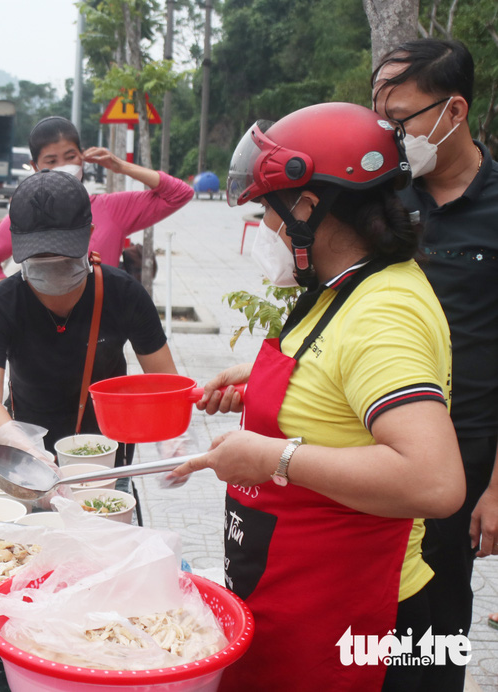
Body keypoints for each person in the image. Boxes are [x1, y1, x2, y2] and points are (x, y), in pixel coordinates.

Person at [170, 102, 465, 691]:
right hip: (297, 596)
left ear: (309, 205)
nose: (265, 227)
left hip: (362, 628)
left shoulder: (386, 311)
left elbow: (434, 481)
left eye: (267, 210)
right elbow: (342, 388)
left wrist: (271, 458)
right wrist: (260, 387)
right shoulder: (341, 287)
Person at [372, 38, 498, 690]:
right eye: (381, 121)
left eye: (401, 121)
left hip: (465, 451)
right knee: (376, 607)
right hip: (379, 442)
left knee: (441, 611)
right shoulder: (385, 200)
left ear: (454, 110)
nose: (390, 136)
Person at [0, 169, 177, 467]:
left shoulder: (125, 294)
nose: (51, 265)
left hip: (106, 452)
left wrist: (172, 438)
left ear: (90, 234)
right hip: (27, 448)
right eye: (39, 257)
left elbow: (166, 382)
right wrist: (23, 448)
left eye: (62, 255)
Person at [0, 116, 192, 286]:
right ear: (35, 167)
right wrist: (9, 291)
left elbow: (180, 194)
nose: (63, 166)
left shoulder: (111, 209)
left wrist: (121, 166)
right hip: (41, 335)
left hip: (100, 333)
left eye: (70, 157)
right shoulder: (24, 215)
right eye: (51, 161)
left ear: (83, 157)